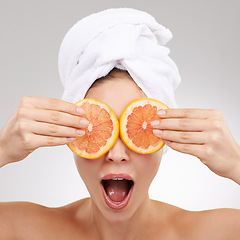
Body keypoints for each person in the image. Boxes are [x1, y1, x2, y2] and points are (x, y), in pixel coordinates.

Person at [0, 8, 240, 240]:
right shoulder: (18, 229)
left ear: (164, 136)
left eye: (136, 129)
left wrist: (236, 164)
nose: (116, 154)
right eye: (99, 126)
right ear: (70, 134)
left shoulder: (218, 233)